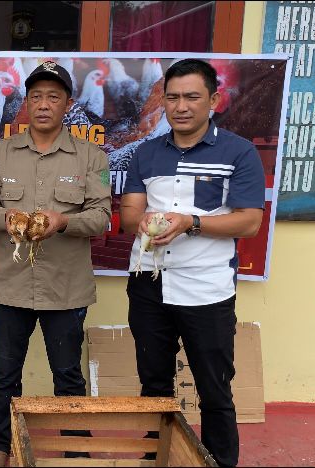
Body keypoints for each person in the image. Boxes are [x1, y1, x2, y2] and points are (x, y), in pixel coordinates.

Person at [120, 58, 265, 467]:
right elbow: (130, 213)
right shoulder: (146, 154)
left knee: (214, 386)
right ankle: (157, 458)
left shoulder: (238, 151)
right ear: (162, 101)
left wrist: (190, 223)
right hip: (149, 282)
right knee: (154, 383)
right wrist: (145, 220)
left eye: (191, 97)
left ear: (214, 100)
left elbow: (250, 221)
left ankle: (220, 460)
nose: (180, 106)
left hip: (207, 288)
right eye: (172, 97)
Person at [0, 61, 112, 467]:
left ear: (68, 104)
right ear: (26, 102)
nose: (44, 105)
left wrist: (62, 220)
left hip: (66, 288)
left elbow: (102, 217)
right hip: (10, 285)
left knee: (67, 373)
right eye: (36, 96)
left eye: (53, 96)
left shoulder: (92, 157)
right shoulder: (0, 152)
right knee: (5, 373)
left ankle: (75, 447)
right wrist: (11, 219)